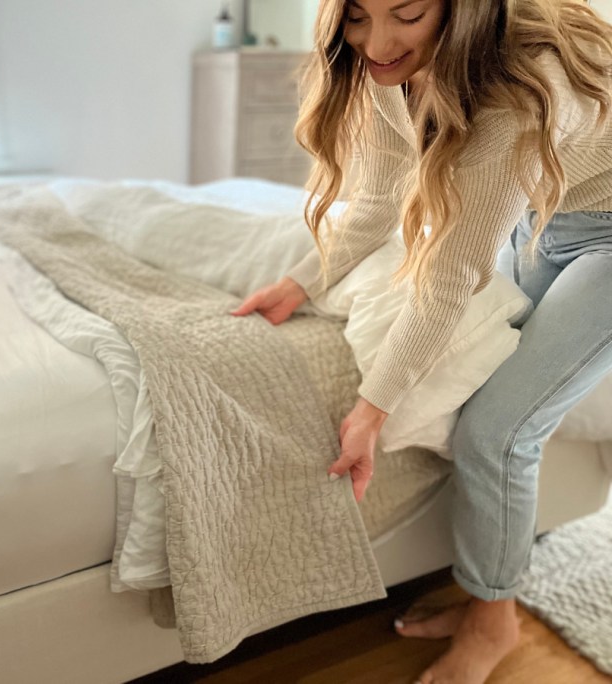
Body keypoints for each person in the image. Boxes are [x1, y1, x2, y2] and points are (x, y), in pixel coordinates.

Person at [231, 0, 612, 682]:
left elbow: (450, 280)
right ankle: (482, 587)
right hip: (548, 211)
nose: (377, 41)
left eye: (406, 13)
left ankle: (494, 621)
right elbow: (377, 203)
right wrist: (299, 284)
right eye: (356, 16)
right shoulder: (391, 67)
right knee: (469, 376)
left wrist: (370, 410)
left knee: (495, 432)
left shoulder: (523, 91)